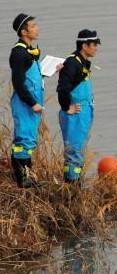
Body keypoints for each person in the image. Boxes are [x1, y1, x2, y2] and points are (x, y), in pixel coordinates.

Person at [57, 29, 100, 183]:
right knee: (74, 151)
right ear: (84, 46)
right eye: (94, 45)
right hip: (75, 115)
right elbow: (62, 88)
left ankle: (77, 183)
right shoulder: (72, 63)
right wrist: (66, 107)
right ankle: (71, 188)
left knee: (79, 150)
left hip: (83, 113)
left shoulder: (82, 62)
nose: (96, 48)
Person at [9, 13, 44, 188]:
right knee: (23, 140)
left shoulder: (29, 52)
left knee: (29, 140)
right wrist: (33, 103)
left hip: (30, 104)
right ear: (24, 31)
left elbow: (31, 76)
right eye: (33, 26)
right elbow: (18, 83)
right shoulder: (19, 53)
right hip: (25, 104)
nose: (37, 28)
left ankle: (29, 176)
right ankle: (23, 180)